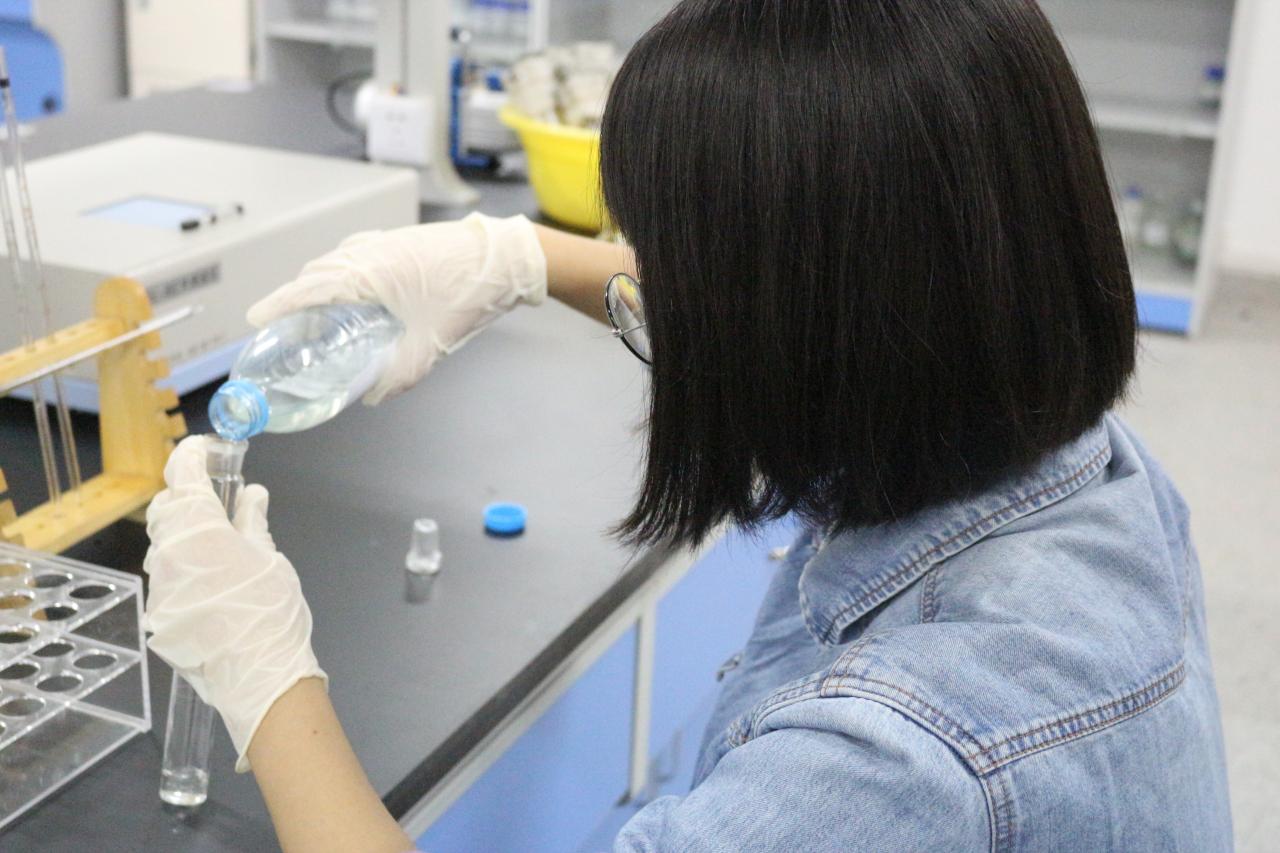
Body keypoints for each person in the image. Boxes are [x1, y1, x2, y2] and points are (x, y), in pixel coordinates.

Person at [143, 0, 1233, 850]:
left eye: (674, 259)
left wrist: (270, 684)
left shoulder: (893, 765)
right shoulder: (1077, 468)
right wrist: (521, 258)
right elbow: (816, 304)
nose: (650, 284)